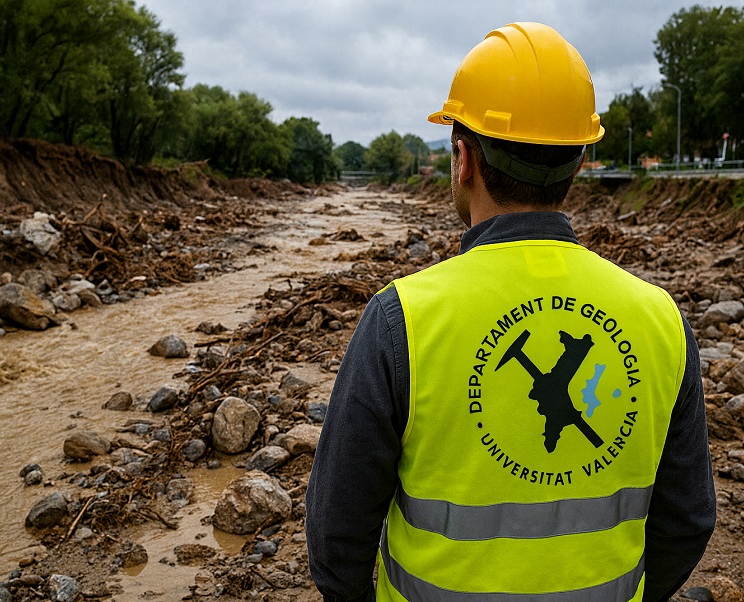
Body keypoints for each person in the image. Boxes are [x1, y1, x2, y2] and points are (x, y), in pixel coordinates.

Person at [306, 22, 715, 602]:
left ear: (462, 158)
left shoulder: (401, 319)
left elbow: (335, 538)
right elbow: (689, 521)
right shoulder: (660, 320)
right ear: (577, 163)